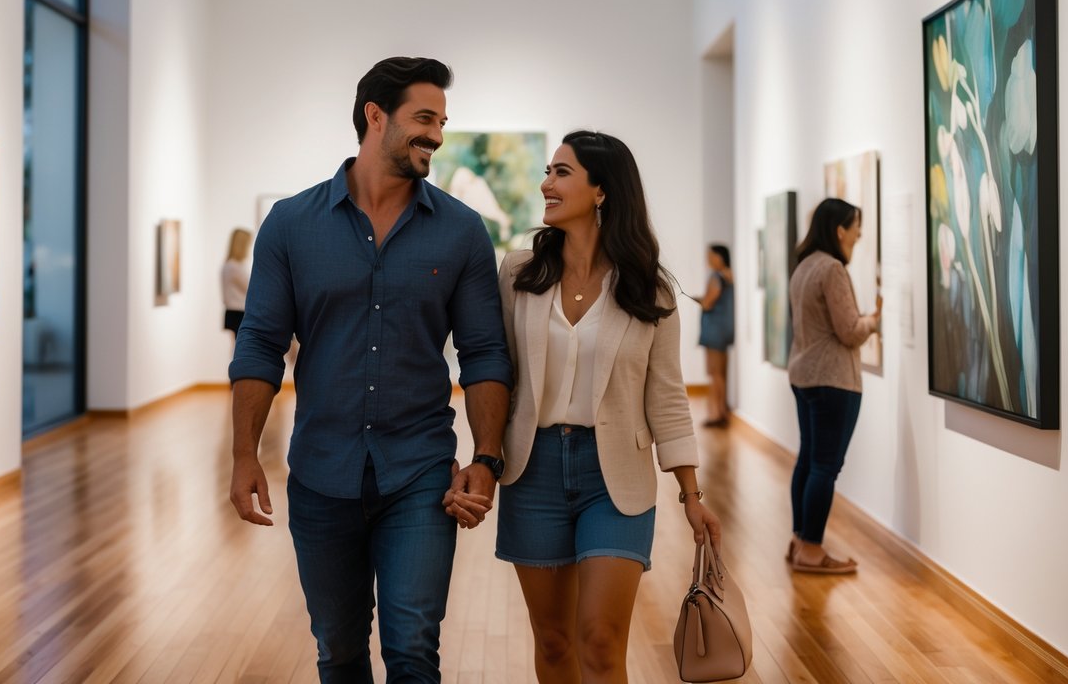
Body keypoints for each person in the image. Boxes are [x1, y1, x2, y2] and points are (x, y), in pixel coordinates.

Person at [228, 57, 513, 682]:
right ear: (374, 116)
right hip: (320, 475)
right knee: (340, 651)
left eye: (442, 121)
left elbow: (485, 352)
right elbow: (259, 344)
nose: (436, 135)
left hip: (419, 474)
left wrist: (486, 458)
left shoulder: (462, 233)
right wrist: (244, 454)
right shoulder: (291, 224)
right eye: (423, 118)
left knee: (413, 646)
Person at [488, 130, 721, 683]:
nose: (546, 184)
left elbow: (667, 397)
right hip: (533, 470)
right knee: (552, 641)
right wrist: (483, 455)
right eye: (547, 171)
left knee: (599, 639)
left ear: (602, 190)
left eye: (561, 172)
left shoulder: (650, 290)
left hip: (614, 475)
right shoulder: (519, 274)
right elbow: (497, 374)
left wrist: (692, 495)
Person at [786, 198, 881, 574]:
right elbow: (849, 332)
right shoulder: (833, 269)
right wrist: (874, 319)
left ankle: (799, 538)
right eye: (856, 227)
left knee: (808, 459)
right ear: (840, 229)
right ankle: (811, 550)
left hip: (804, 375)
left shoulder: (804, 266)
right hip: (833, 380)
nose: (859, 235)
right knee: (825, 467)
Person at [698, 243, 735, 427]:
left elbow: (708, 302)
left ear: (720, 257)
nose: (708, 259)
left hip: (714, 332)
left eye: (711, 255)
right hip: (725, 331)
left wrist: (701, 300)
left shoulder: (715, 277)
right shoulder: (730, 276)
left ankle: (716, 414)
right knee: (721, 373)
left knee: (715, 374)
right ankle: (722, 411)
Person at [221, 227, 252, 338]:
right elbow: (251, 288)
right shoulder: (234, 267)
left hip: (235, 311)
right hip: (239, 311)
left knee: (238, 345)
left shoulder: (231, 265)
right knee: (241, 347)